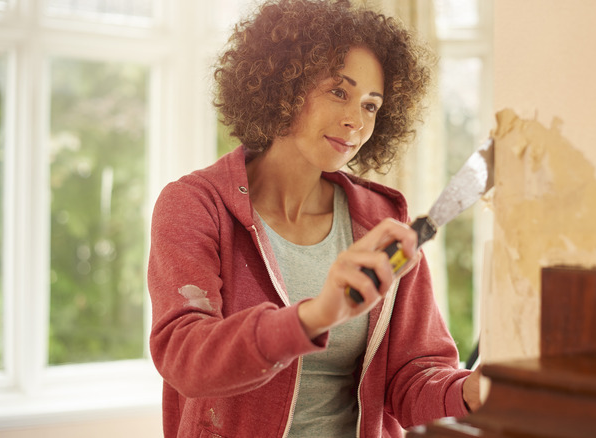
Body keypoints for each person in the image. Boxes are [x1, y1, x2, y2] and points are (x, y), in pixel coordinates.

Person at [147, 0, 481, 436]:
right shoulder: (195, 206)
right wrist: (314, 316)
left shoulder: (382, 219)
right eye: (339, 92)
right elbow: (185, 357)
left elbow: (411, 379)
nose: (355, 121)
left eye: (371, 105)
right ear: (282, 85)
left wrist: (473, 391)